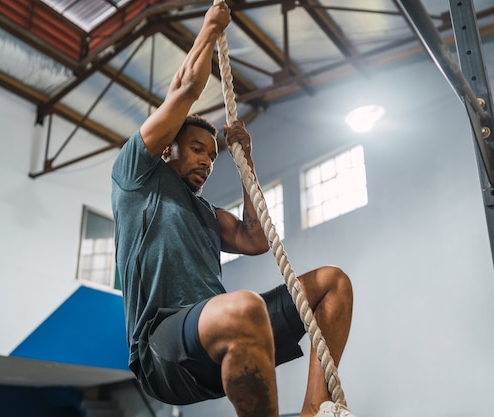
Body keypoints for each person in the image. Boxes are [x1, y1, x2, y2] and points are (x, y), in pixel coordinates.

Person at [111, 2, 355, 417]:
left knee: (333, 284)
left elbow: (255, 238)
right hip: (162, 349)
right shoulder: (137, 176)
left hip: (223, 337)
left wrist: (247, 165)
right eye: (196, 150)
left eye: (212, 155)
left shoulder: (206, 214)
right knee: (244, 308)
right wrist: (209, 28)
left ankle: (316, 410)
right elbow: (185, 91)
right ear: (167, 148)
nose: (207, 161)